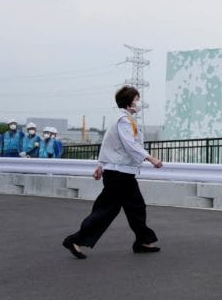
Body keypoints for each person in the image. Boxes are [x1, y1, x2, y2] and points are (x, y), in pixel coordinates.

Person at [62, 86, 164, 259]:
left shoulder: (125, 119)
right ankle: (76, 240)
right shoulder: (124, 120)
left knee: (136, 207)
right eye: (137, 99)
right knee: (107, 209)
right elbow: (129, 144)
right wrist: (150, 158)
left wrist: (100, 165)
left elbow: (108, 143)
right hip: (118, 174)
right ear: (129, 101)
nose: (139, 102)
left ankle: (142, 241)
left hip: (122, 172)